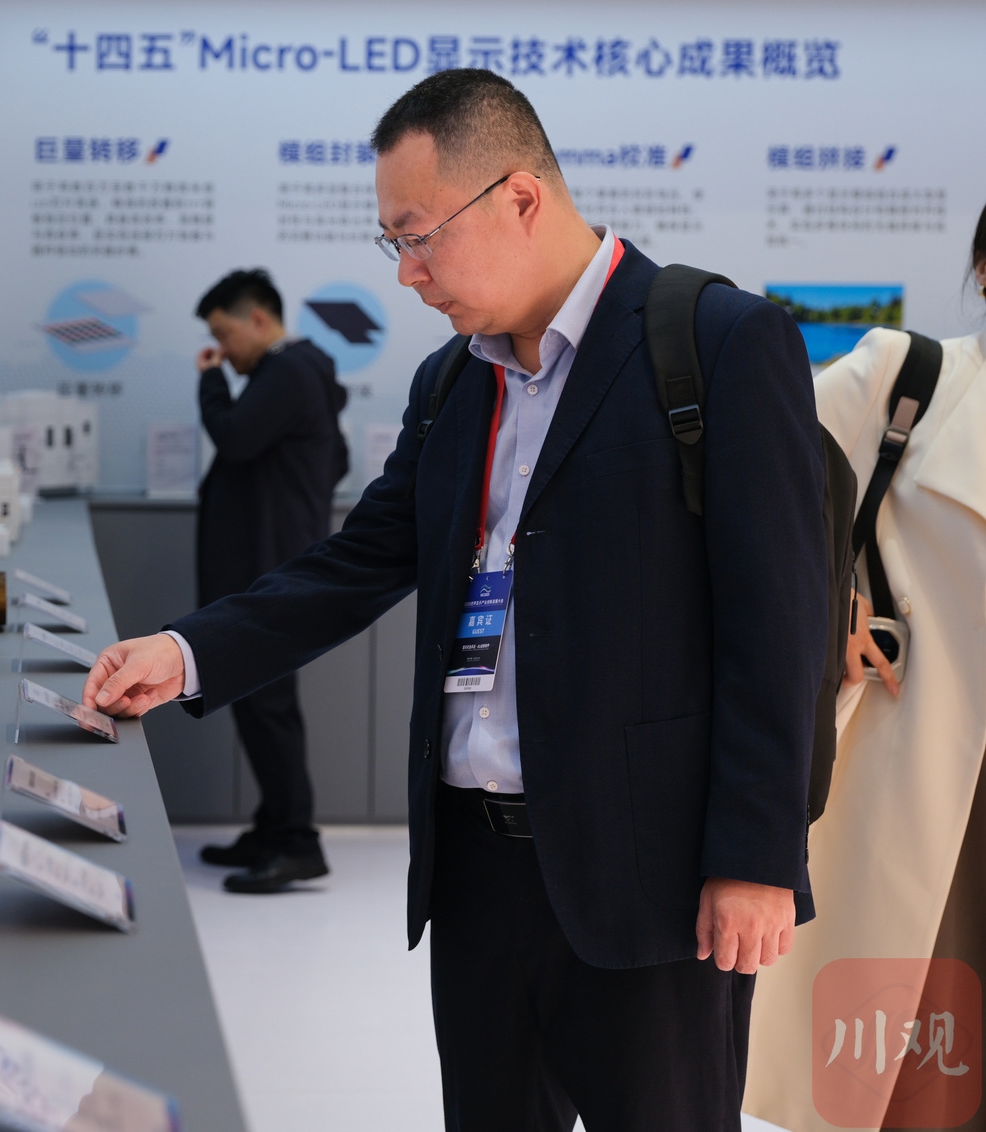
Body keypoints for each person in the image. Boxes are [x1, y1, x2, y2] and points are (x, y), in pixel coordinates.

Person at [83, 69, 828, 1130]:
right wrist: (186, 651)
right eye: (391, 244)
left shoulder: (715, 344)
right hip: (475, 875)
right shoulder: (450, 384)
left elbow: (779, 625)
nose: (408, 273)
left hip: (649, 878)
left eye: (419, 237)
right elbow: (355, 562)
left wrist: (754, 859)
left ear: (519, 197)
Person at [743, 205, 986, 1132]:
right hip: (924, 767)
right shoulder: (907, 378)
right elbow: (756, 490)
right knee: (915, 1059)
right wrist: (834, 603)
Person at [186, 269, 348, 894]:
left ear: (258, 319)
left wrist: (209, 382)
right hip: (271, 557)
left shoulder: (289, 371)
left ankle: (298, 841)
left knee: (269, 703)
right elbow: (333, 459)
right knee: (255, 697)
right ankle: (273, 827)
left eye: (224, 334)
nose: (221, 351)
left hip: (269, 561)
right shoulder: (298, 374)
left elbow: (234, 436)